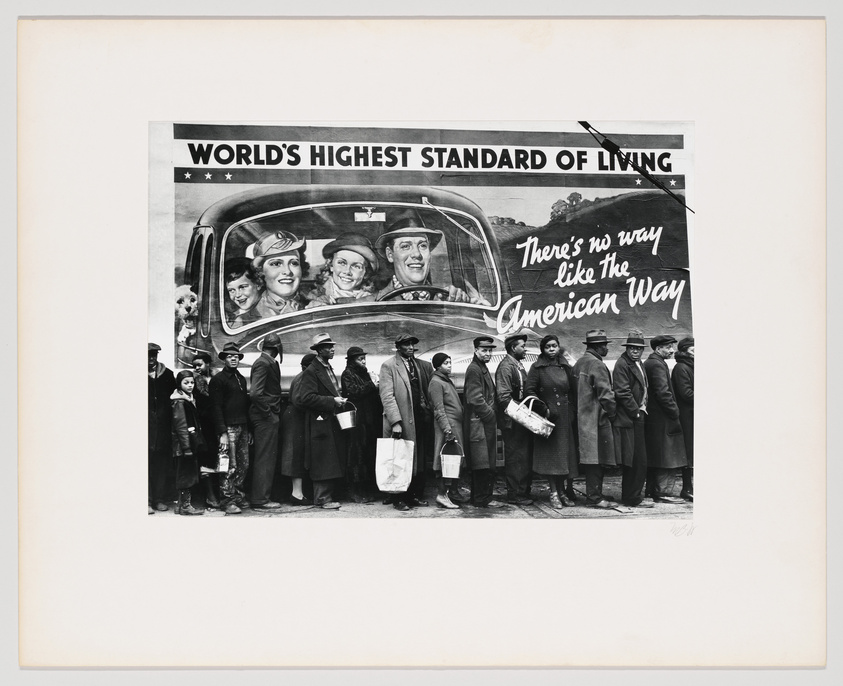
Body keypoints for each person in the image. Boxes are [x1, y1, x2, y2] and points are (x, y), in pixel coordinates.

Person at [374, 215, 490, 304]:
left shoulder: (447, 301)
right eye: (405, 246)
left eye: (423, 246)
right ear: (390, 255)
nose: (416, 254)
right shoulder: (370, 303)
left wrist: (464, 306)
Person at [378, 332, 434, 511]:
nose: (410, 347)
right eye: (406, 344)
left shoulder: (417, 365)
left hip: (418, 419)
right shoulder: (388, 366)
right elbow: (387, 396)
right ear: (398, 347)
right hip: (402, 420)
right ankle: (398, 499)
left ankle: (414, 496)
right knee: (399, 458)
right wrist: (395, 422)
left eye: (412, 344)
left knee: (416, 458)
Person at [525, 334, 578, 509]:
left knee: (564, 458)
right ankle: (554, 492)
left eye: (554, 346)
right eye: (548, 347)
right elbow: (529, 392)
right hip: (548, 419)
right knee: (552, 458)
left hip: (564, 417)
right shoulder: (537, 368)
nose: (551, 349)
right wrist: (545, 409)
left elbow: (572, 391)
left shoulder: (565, 366)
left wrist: (570, 412)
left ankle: (562, 491)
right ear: (543, 349)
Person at [297, 333, 348, 510]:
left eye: (332, 346)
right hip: (320, 421)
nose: (332, 349)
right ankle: (322, 498)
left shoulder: (326, 367)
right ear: (319, 350)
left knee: (328, 459)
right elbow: (306, 398)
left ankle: (326, 496)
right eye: (328, 346)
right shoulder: (312, 371)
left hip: (328, 419)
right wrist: (332, 401)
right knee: (323, 460)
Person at [572, 330, 618, 509]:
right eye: (605, 345)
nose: (606, 348)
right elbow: (606, 395)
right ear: (598, 347)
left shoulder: (579, 362)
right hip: (597, 420)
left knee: (592, 458)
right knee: (597, 459)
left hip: (583, 419)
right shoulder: (596, 364)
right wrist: (612, 413)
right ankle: (594, 497)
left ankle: (595, 494)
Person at [643, 334, 688, 504]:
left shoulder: (651, 362)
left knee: (658, 455)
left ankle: (653, 491)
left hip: (656, 418)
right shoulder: (657, 364)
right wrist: (675, 412)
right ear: (658, 348)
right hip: (663, 418)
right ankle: (663, 493)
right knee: (666, 457)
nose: (672, 350)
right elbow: (663, 393)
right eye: (668, 347)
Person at [209, 342, 251, 514]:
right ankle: (227, 500)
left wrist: (248, 430)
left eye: (236, 356)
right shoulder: (218, 380)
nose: (233, 359)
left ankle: (239, 496)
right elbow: (216, 407)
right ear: (224, 359)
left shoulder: (240, 378)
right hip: (228, 429)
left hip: (242, 427)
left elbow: (244, 405)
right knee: (229, 466)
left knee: (243, 464)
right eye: (229, 356)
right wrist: (222, 433)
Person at [612, 331, 653, 508]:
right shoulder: (622, 364)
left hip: (638, 414)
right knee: (636, 460)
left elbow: (642, 387)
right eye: (632, 348)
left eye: (639, 348)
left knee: (638, 459)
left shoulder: (637, 363)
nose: (636, 351)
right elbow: (622, 392)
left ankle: (633, 495)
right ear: (627, 348)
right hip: (631, 417)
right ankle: (632, 498)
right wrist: (636, 412)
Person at [464, 336, 505, 508]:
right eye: (484, 350)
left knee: (484, 462)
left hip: (481, 423)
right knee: (482, 463)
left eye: (490, 350)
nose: (488, 353)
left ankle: (480, 498)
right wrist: (491, 416)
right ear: (476, 351)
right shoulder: (474, 369)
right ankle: (482, 499)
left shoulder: (481, 367)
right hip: (479, 423)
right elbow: (475, 399)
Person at [495, 331, 533, 505]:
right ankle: (515, 494)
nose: (525, 349)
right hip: (514, 422)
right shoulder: (506, 367)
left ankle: (522, 492)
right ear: (513, 348)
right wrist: (523, 415)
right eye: (522, 346)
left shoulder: (517, 365)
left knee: (523, 457)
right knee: (515, 457)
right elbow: (503, 397)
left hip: (521, 420)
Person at [340, 346, 382, 503]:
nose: (363, 361)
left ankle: (365, 488)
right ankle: (355, 489)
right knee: (356, 455)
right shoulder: (348, 374)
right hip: (357, 420)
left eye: (364, 358)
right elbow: (353, 391)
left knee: (366, 454)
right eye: (360, 359)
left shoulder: (363, 373)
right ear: (352, 361)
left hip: (367, 420)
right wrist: (372, 384)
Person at [248, 333, 284, 510]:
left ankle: (261, 497)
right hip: (265, 418)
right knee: (265, 458)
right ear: (277, 348)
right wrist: (268, 414)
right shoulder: (263, 363)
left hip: (267, 416)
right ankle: (260, 499)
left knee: (266, 457)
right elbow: (255, 393)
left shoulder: (267, 362)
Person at [428, 352, 464, 509]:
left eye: (450, 362)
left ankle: (453, 492)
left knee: (454, 460)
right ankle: (442, 495)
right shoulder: (436, 382)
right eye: (446, 363)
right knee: (443, 461)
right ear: (437, 366)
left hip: (455, 425)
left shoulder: (445, 380)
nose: (449, 365)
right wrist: (447, 430)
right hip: (447, 427)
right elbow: (438, 409)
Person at [281, 353, 317, 505]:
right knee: (296, 455)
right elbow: (298, 400)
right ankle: (297, 494)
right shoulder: (304, 377)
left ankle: (298, 493)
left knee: (296, 455)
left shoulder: (300, 376)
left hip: (293, 417)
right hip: (296, 418)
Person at [306, 233, 378, 307]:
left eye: (356, 266)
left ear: (365, 273)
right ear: (331, 265)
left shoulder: (374, 299)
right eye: (342, 263)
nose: (347, 271)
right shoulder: (314, 297)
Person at [170, 370, 206, 515]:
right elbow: (181, 426)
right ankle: (185, 506)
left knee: (186, 473)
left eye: (192, 382)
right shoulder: (179, 402)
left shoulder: (188, 399)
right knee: (186, 475)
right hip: (184, 446)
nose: (190, 385)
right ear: (179, 384)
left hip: (187, 445)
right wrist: (186, 448)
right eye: (186, 383)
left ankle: (180, 506)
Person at [251, 230, 309, 317]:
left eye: (294, 263)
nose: (287, 271)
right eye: (276, 263)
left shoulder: (318, 306)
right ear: (261, 271)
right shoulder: (246, 318)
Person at [148, 342, 176, 514]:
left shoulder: (167, 375)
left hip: (163, 429)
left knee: (161, 464)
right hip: (145, 428)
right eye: (148, 356)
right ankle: (146, 500)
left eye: (154, 355)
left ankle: (159, 499)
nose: (151, 359)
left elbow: (174, 399)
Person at [192, 352, 221, 508]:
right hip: (204, 427)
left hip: (219, 425)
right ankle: (209, 496)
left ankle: (219, 493)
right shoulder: (193, 382)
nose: (197, 368)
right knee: (206, 459)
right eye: (194, 365)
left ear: (208, 364)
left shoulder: (217, 379)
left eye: (200, 364)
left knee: (220, 459)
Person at [672, 336, 694, 502]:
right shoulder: (681, 368)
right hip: (687, 416)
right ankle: (687, 488)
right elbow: (686, 394)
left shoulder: (692, 366)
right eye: (693, 350)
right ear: (685, 351)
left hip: (694, 414)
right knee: (689, 452)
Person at [224, 258, 263, 328]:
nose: (237, 295)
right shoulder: (232, 315)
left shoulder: (265, 311)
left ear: (258, 284)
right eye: (231, 290)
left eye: (242, 287)